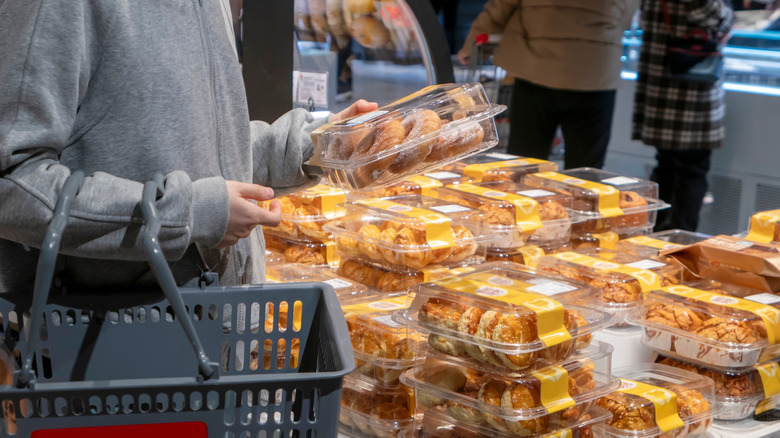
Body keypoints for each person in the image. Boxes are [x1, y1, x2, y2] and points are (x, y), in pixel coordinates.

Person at [0, 0, 376, 292]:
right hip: (111, 359)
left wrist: (317, 145)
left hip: (212, 347)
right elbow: (12, 181)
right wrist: (190, 213)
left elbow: (201, 154)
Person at [458, 0, 639, 169]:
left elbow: (501, 7)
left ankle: (525, 200)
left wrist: (472, 46)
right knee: (585, 169)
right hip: (595, 71)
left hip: (536, 67)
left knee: (526, 164)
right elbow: (626, 12)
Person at [632, 0, 734, 231]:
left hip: (661, 82)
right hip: (690, 91)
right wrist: (730, 18)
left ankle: (653, 239)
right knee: (692, 170)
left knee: (666, 165)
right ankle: (679, 249)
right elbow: (716, 17)